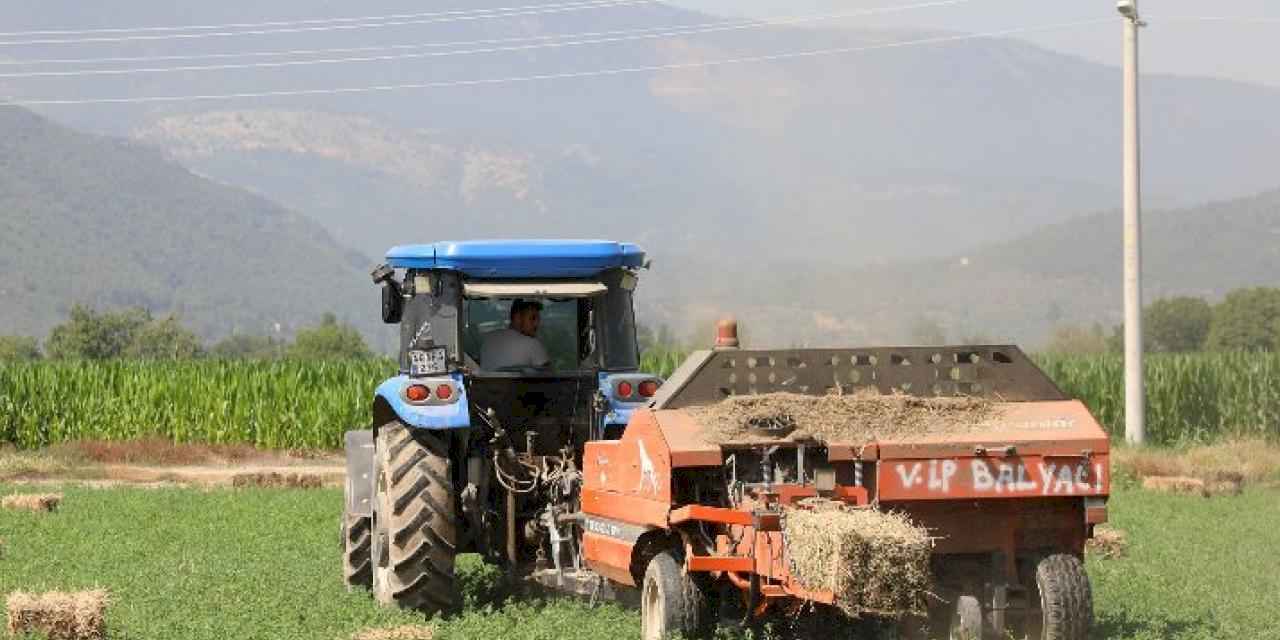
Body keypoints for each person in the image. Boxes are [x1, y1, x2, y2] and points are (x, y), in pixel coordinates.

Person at [480, 299, 551, 370]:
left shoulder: (488, 338)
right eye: (532, 318)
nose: (537, 324)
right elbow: (549, 376)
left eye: (538, 319)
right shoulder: (532, 344)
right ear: (517, 318)